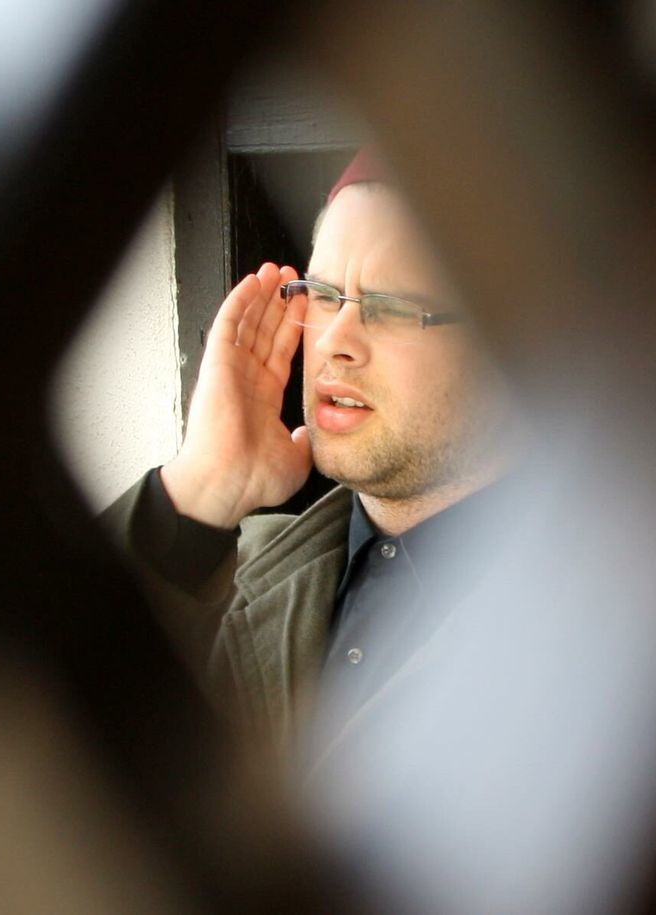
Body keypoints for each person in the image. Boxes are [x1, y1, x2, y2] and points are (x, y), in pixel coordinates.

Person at [105, 148, 521, 753]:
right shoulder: (229, 575)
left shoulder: (599, 627)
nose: (335, 342)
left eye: (389, 307)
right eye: (325, 295)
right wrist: (203, 487)